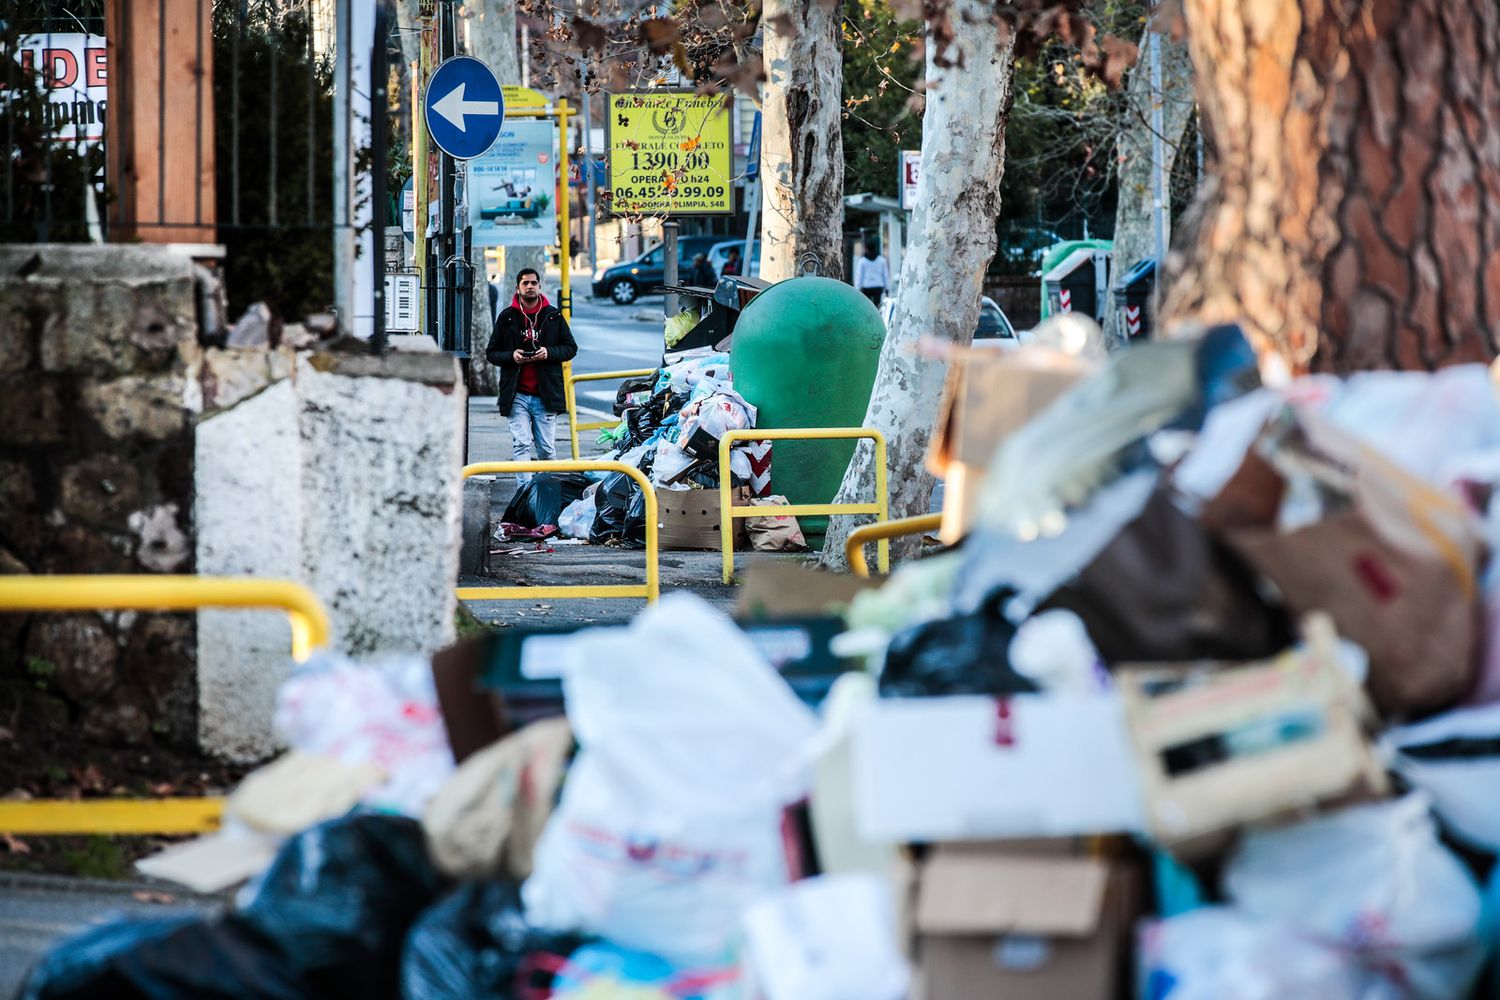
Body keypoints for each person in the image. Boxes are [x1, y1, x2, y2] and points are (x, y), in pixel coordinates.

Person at [486, 268, 578, 483]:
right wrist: (512, 356)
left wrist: (548, 353)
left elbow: (570, 348)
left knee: (546, 449)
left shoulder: (553, 316)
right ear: (517, 288)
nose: (530, 287)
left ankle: (545, 492)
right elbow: (491, 353)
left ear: (540, 286)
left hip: (546, 395)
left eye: (533, 283)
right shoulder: (507, 317)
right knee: (521, 444)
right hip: (516, 395)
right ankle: (525, 493)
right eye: (525, 283)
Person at [853, 242, 890, 307]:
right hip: (878, 286)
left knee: (867, 306)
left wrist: (857, 288)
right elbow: (885, 275)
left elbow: (859, 276)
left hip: (866, 287)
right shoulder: (881, 260)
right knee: (877, 306)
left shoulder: (862, 261)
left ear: (866, 249)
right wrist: (887, 288)